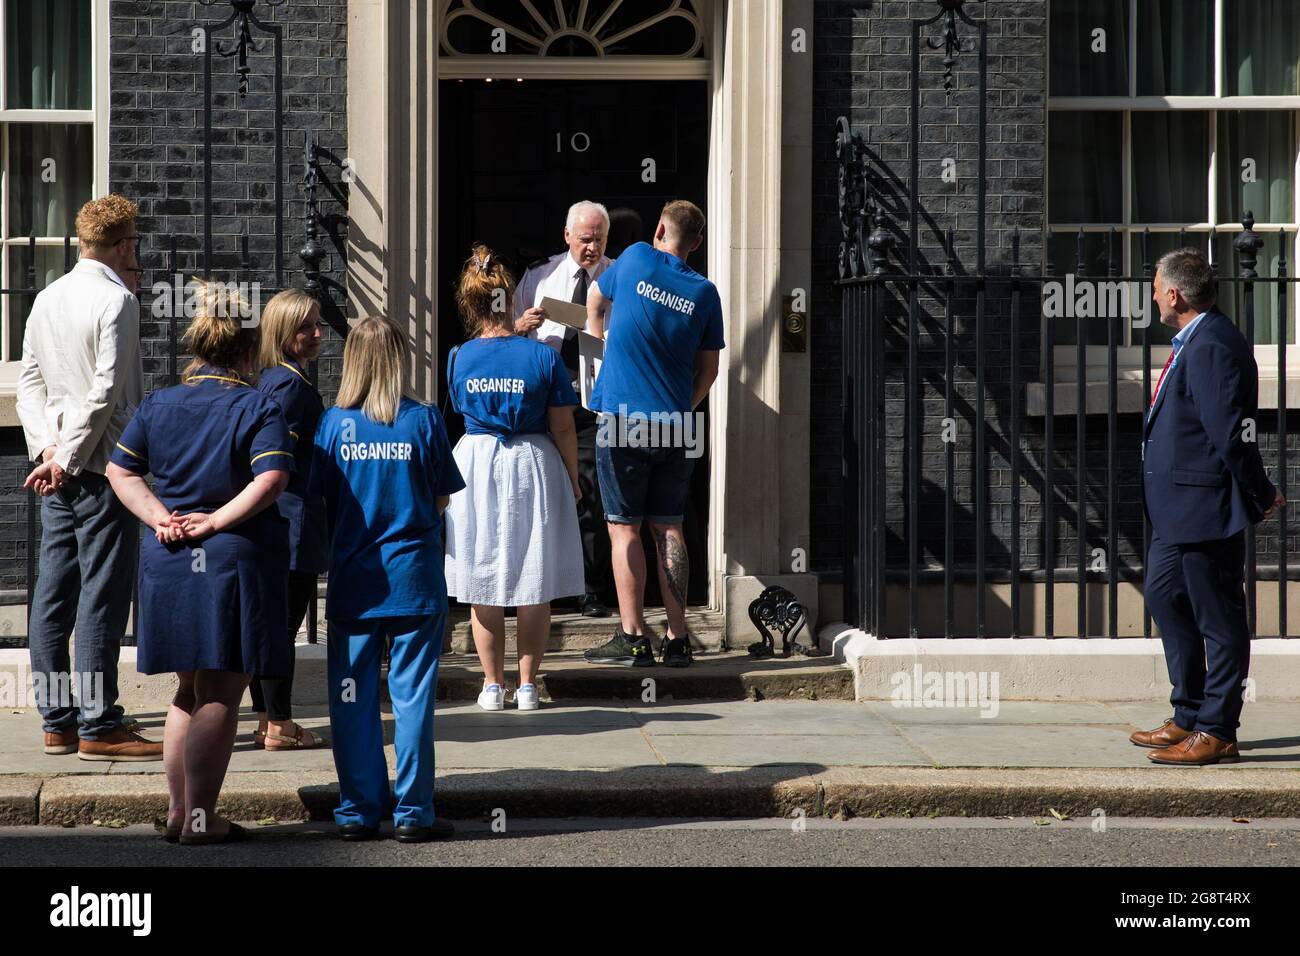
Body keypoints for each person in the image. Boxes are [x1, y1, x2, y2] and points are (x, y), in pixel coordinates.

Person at [107, 281, 294, 844]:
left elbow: (120, 470)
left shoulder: (159, 403)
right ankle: (201, 819)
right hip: (230, 561)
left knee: (187, 690)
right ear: (246, 351)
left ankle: (177, 812)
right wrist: (213, 521)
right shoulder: (258, 404)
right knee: (222, 690)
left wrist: (160, 517)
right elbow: (272, 478)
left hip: (169, 557)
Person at [16, 194, 162, 761]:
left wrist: (47, 451)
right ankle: (100, 725)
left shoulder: (47, 298)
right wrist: (70, 457)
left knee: (52, 597)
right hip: (101, 469)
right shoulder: (117, 299)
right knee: (100, 598)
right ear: (124, 245)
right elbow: (105, 391)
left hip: (55, 467)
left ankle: (57, 720)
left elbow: (29, 383)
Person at [311, 316, 465, 843]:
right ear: (399, 359)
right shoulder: (424, 420)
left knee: (352, 699)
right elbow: (441, 496)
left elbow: (323, 501)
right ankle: (413, 813)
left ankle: (358, 809)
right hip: (415, 578)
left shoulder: (333, 425)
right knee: (413, 698)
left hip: (356, 582)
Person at [1135, 248, 1285, 766]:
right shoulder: (1194, 341)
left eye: (1156, 286)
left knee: (1219, 618)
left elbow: (1230, 433)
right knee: (1164, 598)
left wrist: (1259, 492)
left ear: (1174, 293)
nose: (1152, 293)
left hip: (1203, 505)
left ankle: (1218, 729)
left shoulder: (1214, 345)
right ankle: (1189, 712)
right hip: (1175, 507)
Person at [583, 200, 724, 669]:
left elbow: (596, 300)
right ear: (697, 243)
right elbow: (709, 370)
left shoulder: (637, 257)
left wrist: (598, 339)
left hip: (622, 418)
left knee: (623, 527)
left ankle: (634, 637)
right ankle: (679, 639)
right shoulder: (705, 293)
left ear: (660, 227)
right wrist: (683, 406)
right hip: (676, 424)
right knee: (668, 525)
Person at [445, 245, 584, 711]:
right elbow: (564, 426)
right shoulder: (542, 357)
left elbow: (459, 411)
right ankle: (527, 685)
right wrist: (572, 477)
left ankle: (490, 684)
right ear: (510, 300)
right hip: (533, 462)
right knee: (533, 578)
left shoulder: (459, 357)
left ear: (471, 304)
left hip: (476, 464)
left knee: (483, 576)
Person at [513, 200, 613, 618]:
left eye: (600, 240)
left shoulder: (619, 276)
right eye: (585, 239)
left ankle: (590, 590)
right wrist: (522, 327)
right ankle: (538, 589)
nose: (591, 248)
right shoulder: (539, 276)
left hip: (593, 403)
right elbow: (507, 333)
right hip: (543, 404)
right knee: (540, 493)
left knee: (589, 494)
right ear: (567, 235)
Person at [250, 290, 329, 751]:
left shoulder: (281, 379)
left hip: (286, 521)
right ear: (284, 333)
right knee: (282, 628)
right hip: (290, 523)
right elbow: (274, 458)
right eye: (306, 327)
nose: (317, 334)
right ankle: (279, 723)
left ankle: (267, 719)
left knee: (273, 626)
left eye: (318, 324)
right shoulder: (288, 385)